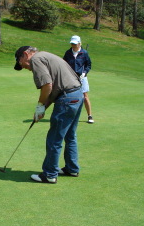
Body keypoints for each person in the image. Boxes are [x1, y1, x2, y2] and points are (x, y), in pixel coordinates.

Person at [14, 46, 84, 184]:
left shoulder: (35, 60)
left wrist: (39, 106)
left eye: (21, 63)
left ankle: (50, 174)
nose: (26, 68)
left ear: (25, 54)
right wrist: (43, 108)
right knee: (70, 135)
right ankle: (72, 168)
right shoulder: (46, 55)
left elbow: (47, 85)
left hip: (67, 99)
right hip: (77, 95)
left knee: (54, 139)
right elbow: (54, 90)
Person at [63, 35, 94, 124]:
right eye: (72, 44)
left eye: (75, 44)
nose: (73, 45)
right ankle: (68, 115)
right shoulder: (68, 53)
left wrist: (84, 73)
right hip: (70, 78)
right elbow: (64, 64)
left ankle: (90, 115)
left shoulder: (84, 53)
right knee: (69, 95)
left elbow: (88, 65)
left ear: (80, 44)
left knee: (85, 96)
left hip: (82, 77)